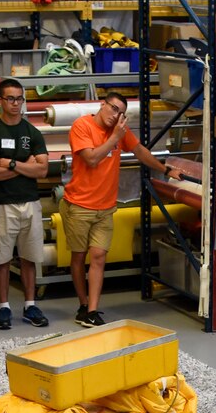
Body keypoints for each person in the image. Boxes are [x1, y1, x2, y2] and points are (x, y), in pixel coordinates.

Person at [64, 92, 166, 327]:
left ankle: (92, 310)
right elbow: (91, 159)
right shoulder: (82, 126)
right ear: (102, 105)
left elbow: (139, 150)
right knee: (79, 256)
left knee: (99, 256)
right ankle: (82, 303)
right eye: (112, 108)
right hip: (80, 204)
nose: (115, 115)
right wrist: (115, 138)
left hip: (106, 207)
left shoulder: (120, 131)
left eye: (120, 112)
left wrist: (165, 169)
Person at [0, 79, 51, 329]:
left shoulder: (32, 132)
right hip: (2, 205)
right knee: (2, 259)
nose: (15, 103)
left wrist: (10, 163)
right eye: (10, 98)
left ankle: (30, 305)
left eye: (19, 98)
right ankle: (4, 307)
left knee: (29, 257)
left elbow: (42, 170)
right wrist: (26, 167)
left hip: (30, 202)